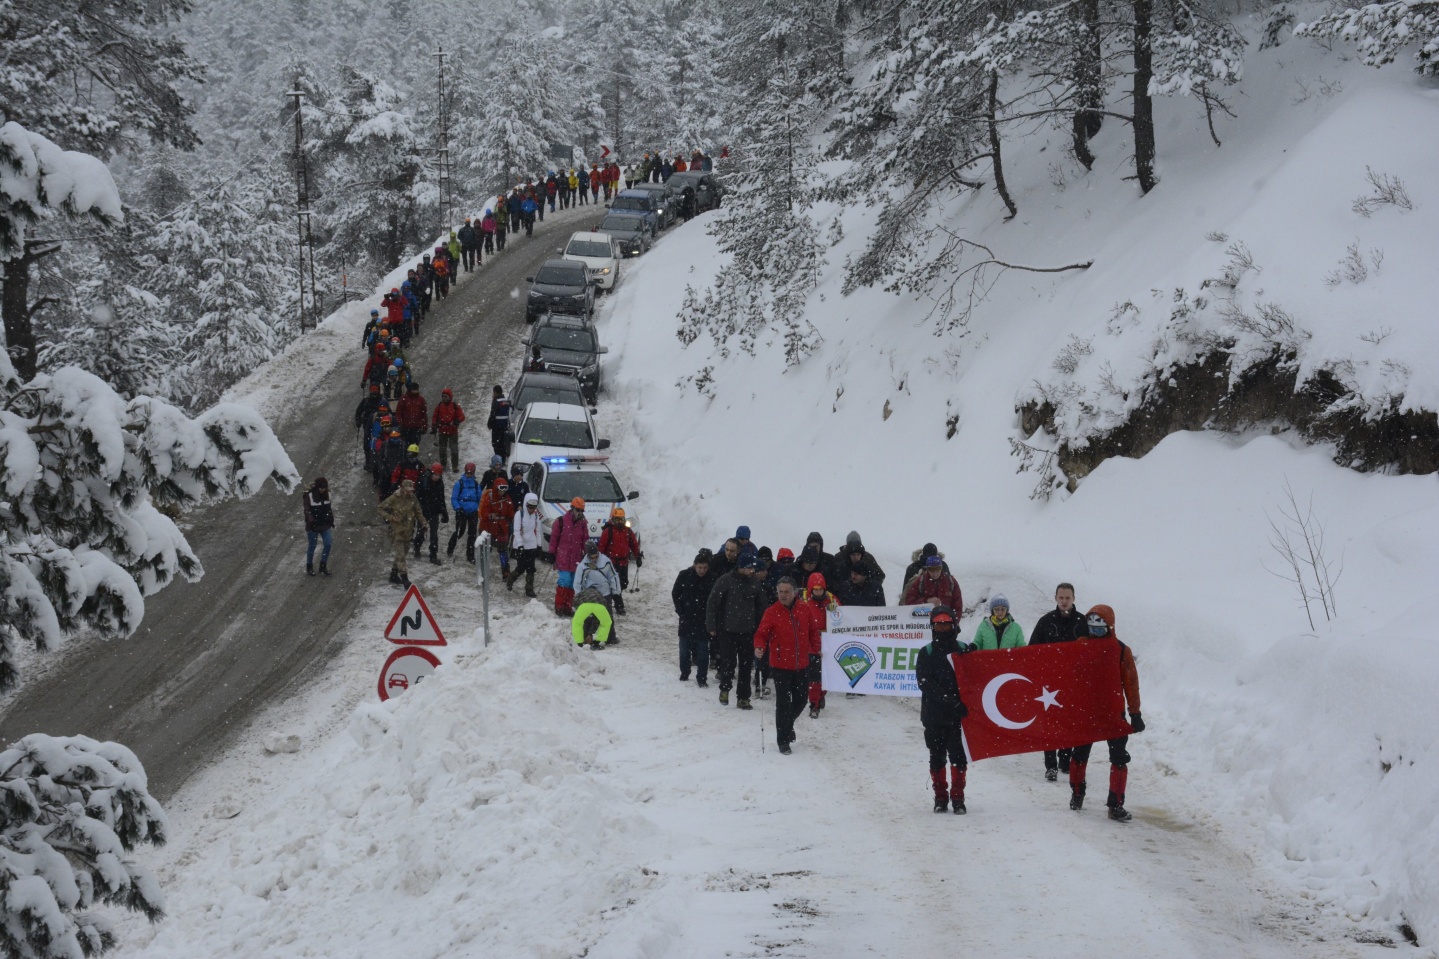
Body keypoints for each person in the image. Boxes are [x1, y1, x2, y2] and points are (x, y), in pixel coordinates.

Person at [1069, 605, 1144, 821]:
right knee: (1079, 755)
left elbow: (1131, 683)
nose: (1096, 631)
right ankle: (1076, 793)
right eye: (1092, 627)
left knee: (1119, 758)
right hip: (1086, 713)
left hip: (1113, 714)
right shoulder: (1080, 647)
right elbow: (1067, 676)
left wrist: (1135, 712)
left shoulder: (1121, 650)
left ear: (1110, 626)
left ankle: (1116, 805)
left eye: (1100, 628)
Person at [753, 577, 822, 755]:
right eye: (780, 592)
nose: (783, 595)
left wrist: (817, 648)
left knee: (801, 700)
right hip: (780, 665)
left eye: (786, 592)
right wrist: (759, 647)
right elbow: (761, 634)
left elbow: (813, 631)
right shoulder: (771, 612)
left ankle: (787, 724)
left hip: (802, 664)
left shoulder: (804, 609)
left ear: (794, 593)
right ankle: (783, 740)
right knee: (783, 704)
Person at [915, 605, 971, 813]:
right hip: (933, 715)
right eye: (938, 625)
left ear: (953, 625)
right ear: (932, 626)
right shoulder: (926, 652)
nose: (942, 629)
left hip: (958, 717)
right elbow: (925, 683)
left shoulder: (963, 649)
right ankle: (940, 797)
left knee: (958, 757)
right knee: (936, 756)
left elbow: (975, 680)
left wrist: (975, 658)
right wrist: (949, 700)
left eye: (946, 625)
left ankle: (958, 798)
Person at [1032, 582, 1086, 781]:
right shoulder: (1045, 622)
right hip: (1049, 683)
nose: (1064, 601)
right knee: (1050, 723)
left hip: (1073, 683)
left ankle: (1065, 761)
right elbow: (1031, 651)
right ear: (1055, 598)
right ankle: (1050, 765)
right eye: (1061, 597)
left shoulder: (1082, 622)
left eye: (1067, 598)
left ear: (1073, 599)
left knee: (1068, 721)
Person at [704, 554, 766, 708]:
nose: (751, 570)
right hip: (727, 630)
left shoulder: (755, 583)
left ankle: (743, 697)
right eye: (748, 567)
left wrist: (761, 628)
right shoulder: (725, 580)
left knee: (746, 667)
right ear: (740, 567)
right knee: (728, 663)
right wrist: (711, 625)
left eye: (752, 568)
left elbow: (761, 607)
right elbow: (713, 602)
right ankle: (725, 688)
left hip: (748, 631)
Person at [671, 550, 715, 685]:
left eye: (705, 568)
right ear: (694, 565)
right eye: (700, 567)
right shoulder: (684, 575)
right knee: (684, 649)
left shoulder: (712, 578)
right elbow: (675, 593)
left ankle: (702, 677)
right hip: (687, 618)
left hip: (703, 620)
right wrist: (681, 610)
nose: (702, 571)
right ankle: (684, 672)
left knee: (703, 651)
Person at [800, 573, 839, 717]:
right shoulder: (803, 601)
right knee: (814, 677)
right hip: (811, 644)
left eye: (820, 589)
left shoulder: (832, 600)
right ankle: (814, 704)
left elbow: (843, 617)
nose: (818, 592)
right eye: (815, 589)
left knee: (827, 676)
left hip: (829, 643)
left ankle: (821, 695)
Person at [378, 479, 425, 587]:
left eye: (410, 490)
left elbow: (418, 512)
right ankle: (405, 579)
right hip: (397, 531)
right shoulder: (395, 498)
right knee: (401, 556)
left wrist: (424, 523)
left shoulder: (413, 498)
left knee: (402, 553)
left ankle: (393, 575)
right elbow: (380, 508)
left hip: (408, 531)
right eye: (407, 490)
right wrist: (390, 517)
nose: (409, 492)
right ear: (402, 488)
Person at [549, 498, 590, 616]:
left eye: (582, 510)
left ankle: (567, 607)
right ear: (572, 508)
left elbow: (585, 540)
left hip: (576, 559)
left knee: (573, 583)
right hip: (563, 557)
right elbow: (554, 539)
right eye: (578, 509)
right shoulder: (560, 521)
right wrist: (552, 553)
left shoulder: (583, 524)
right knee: (564, 581)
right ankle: (559, 606)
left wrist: (586, 554)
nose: (580, 512)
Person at [576, 540, 622, 643]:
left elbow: (613, 576)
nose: (594, 559)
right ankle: (586, 638)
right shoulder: (583, 566)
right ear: (588, 555)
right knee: (588, 618)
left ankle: (610, 638)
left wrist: (616, 591)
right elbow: (578, 582)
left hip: (605, 593)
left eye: (596, 556)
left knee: (608, 617)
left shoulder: (605, 561)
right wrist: (579, 595)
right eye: (592, 557)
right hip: (590, 595)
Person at [598, 508, 641, 614]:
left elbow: (634, 545)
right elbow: (601, 548)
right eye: (617, 519)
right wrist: (600, 561)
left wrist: (638, 557)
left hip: (624, 562)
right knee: (616, 584)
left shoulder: (628, 531)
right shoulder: (608, 531)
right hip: (612, 563)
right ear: (613, 519)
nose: (619, 522)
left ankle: (612, 597)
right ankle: (619, 605)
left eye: (621, 519)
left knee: (624, 583)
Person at [478, 475, 516, 579]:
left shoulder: (507, 499)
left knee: (503, 550)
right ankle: (483, 570)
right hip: (489, 528)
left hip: (501, 529)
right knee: (486, 550)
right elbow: (483, 513)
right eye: (500, 489)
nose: (502, 492)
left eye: (504, 489)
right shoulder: (489, 498)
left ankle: (506, 571)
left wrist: (506, 521)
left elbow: (511, 513)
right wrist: (490, 516)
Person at [508, 492, 544, 597]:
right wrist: (519, 545)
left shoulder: (536, 515)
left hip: (531, 545)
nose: (532, 509)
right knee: (521, 567)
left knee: (531, 568)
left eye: (534, 507)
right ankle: (510, 579)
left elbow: (537, 531)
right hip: (521, 544)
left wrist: (539, 545)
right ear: (526, 505)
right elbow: (516, 531)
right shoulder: (519, 514)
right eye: (530, 507)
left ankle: (529, 589)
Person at [413, 463, 449, 565]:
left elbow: (441, 498)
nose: (436, 478)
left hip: (434, 511)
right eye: (435, 476)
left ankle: (433, 555)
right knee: (421, 531)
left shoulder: (440, 483)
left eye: (438, 476)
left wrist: (444, 511)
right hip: (423, 511)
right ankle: (417, 547)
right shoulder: (423, 480)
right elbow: (418, 496)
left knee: (434, 534)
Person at [448, 462, 482, 563]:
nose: (469, 475)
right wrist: (458, 508)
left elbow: (480, 499)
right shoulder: (459, 483)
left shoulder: (476, 485)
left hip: (473, 512)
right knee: (460, 531)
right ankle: (451, 547)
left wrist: (479, 509)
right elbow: (454, 498)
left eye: (471, 473)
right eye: (467, 473)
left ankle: (470, 555)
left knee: (472, 534)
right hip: (462, 511)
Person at [302, 477, 334, 576]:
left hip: (324, 524)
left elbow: (329, 509)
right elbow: (307, 510)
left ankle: (323, 565)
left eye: (324, 488)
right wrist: (311, 521)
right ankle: (309, 566)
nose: (322, 490)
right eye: (321, 488)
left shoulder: (328, 494)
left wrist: (330, 520)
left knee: (328, 543)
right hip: (313, 526)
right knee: (312, 545)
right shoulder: (309, 495)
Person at [430, 387, 464, 472]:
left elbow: (462, 416)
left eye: (446, 396)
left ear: (450, 397)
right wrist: (434, 426)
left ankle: (455, 466)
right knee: (442, 450)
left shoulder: (455, 406)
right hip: (442, 430)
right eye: (443, 396)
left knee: (454, 449)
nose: (444, 398)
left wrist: (457, 420)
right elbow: (435, 416)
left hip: (452, 431)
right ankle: (443, 465)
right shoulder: (439, 406)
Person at [354, 385, 384, 470]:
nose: (374, 392)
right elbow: (359, 411)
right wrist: (358, 420)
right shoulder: (366, 401)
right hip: (367, 425)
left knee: (378, 443)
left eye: (375, 390)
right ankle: (369, 462)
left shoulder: (381, 400)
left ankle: (377, 461)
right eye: (372, 390)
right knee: (367, 444)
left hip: (379, 426)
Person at [396, 382, 428, 449]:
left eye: (416, 389)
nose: (415, 391)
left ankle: (413, 458)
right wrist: (400, 423)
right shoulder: (404, 399)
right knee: (405, 446)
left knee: (414, 447)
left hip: (416, 428)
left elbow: (424, 414)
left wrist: (424, 426)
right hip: (406, 427)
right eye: (414, 389)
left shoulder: (421, 400)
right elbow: (399, 412)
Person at [487, 386, 512, 459]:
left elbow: (493, 414)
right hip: (504, 426)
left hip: (497, 427)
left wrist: (489, 424)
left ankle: (498, 459)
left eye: (493, 392)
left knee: (496, 444)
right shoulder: (506, 401)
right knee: (502, 443)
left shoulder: (496, 402)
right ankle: (503, 458)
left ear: (495, 392)